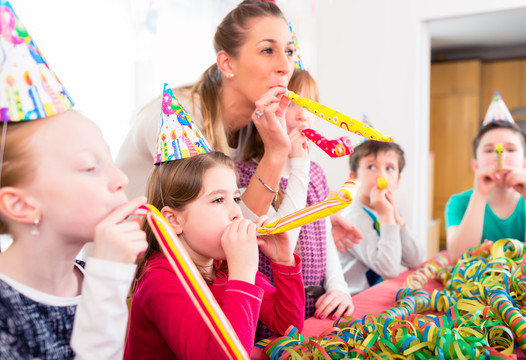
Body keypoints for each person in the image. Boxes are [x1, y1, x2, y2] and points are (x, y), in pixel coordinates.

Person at [0, 3, 147, 358]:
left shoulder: (91, 276)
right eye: (89, 168)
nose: (121, 178)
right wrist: (109, 281)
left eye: (110, 160)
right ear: (21, 204)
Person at [124, 86, 304, 359]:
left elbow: (289, 326)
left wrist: (284, 261)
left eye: (235, 198)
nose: (236, 213)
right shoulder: (160, 279)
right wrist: (243, 275)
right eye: (218, 200)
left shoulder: (221, 265)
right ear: (173, 220)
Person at [117, 0, 294, 223]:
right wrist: (276, 153)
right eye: (267, 50)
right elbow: (227, 230)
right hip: (129, 255)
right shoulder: (177, 118)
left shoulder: (260, 125)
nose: (286, 67)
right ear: (227, 64)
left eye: (289, 51)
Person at [237, 69, 354, 339]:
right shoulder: (245, 175)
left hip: (317, 308)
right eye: (294, 104)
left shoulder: (316, 174)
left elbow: (325, 235)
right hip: (273, 317)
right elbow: (283, 237)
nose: (304, 115)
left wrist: (339, 287)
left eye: (311, 105)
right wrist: (299, 164)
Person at [445, 105, 526, 261]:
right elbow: (458, 257)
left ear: (525, 164)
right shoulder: (459, 203)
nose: (499, 156)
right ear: (476, 166)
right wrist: (480, 195)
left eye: (510, 149)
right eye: (489, 150)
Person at [338, 140, 425, 296]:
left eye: (389, 168)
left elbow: (416, 260)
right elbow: (388, 269)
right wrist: (387, 217)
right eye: (371, 167)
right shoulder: (353, 217)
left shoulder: (393, 211)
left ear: (398, 180)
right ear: (354, 178)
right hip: (356, 298)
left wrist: (397, 219)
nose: (381, 175)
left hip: (380, 293)